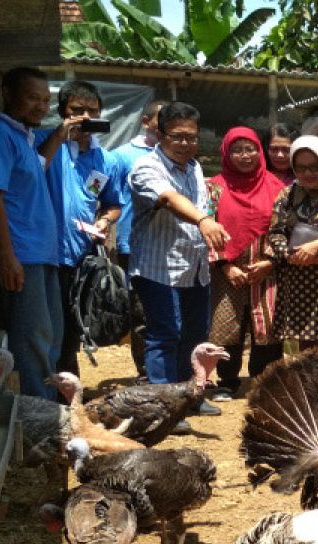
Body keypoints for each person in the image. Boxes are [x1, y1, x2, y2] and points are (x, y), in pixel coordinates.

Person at [127, 101, 229, 413]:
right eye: (178, 136)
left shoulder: (195, 167)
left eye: (192, 137)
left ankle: (191, 397)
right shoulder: (146, 168)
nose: (186, 144)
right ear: (159, 134)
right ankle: (164, 407)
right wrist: (203, 220)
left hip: (194, 267)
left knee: (195, 335)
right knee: (164, 335)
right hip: (158, 267)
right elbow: (169, 198)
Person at [0, 66, 61, 400]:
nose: (40, 106)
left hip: (42, 253)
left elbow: (36, 168)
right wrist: (7, 257)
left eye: (45, 100)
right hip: (22, 255)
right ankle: (37, 416)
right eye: (32, 98)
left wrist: (55, 140)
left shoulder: (24, 138)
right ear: (7, 94)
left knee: (48, 337)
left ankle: (46, 410)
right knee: (31, 341)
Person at [36, 80, 124, 376]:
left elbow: (114, 204)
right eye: (77, 110)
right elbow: (32, 172)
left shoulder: (106, 160)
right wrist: (59, 137)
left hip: (80, 261)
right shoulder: (42, 143)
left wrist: (103, 221)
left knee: (72, 330)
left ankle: (65, 395)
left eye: (93, 111)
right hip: (43, 255)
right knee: (45, 329)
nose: (86, 117)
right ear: (63, 112)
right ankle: (48, 394)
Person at [206, 127, 284, 401]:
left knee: (268, 322)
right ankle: (226, 381)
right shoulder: (214, 187)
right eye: (236, 150)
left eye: (250, 148)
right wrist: (225, 266)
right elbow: (206, 227)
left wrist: (271, 262)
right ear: (226, 153)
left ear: (259, 151)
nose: (244, 155)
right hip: (228, 269)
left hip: (266, 266)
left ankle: (264, 381)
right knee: (227, 322)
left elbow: (285, 227)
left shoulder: (277, 187)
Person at [266, 135, 318, 350]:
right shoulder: (288, 193)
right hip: (298, 279)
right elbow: (276, 231)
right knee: (305, 344)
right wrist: (292, 255)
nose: (308, 174)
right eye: (301, 168)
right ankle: (309, 385)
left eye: (314, 166)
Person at [110, 98, 167, 380]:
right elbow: (100, 190)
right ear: (146, 122)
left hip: (169, 245)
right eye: (162, 120)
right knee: (142, 312)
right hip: (134, 245)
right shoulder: (121, 157)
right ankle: (147, 375)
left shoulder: (175, 156)